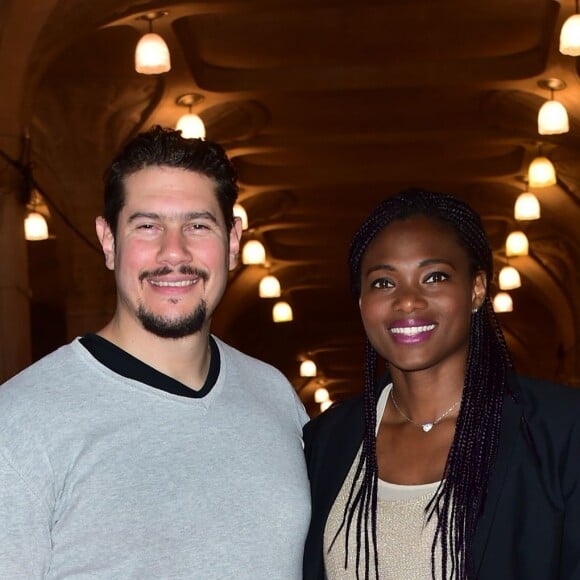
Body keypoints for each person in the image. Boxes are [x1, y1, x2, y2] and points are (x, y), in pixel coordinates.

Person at [0, 126, 310, 579]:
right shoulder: (23, 420)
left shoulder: (274, 395)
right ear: (109, 242)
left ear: (233, 242)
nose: (173, 251)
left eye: (197, 225)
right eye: (147, 226)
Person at [302, 188, 580, 579]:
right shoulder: (326, 441)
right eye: (383, 282)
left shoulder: (559, 432)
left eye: (434, 277)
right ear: (361, 302)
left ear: (477, 289)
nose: (408, 301)